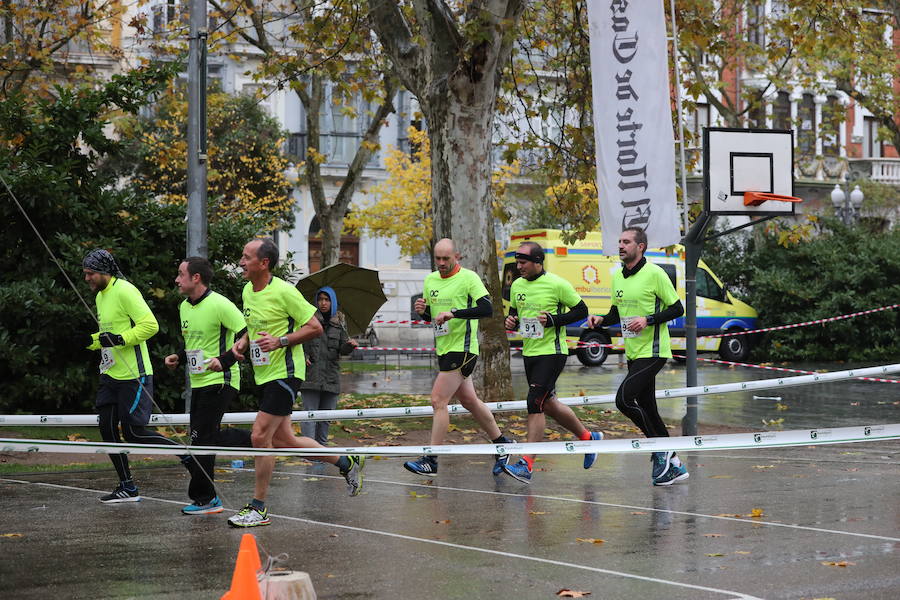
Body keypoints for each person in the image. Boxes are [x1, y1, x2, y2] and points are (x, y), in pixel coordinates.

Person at [217, 238, 365, 528]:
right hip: (265, 373)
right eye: (242, 257)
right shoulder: (248, 290)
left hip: (286, 374)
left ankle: (258, 508)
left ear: (264, 263)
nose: (241, 263)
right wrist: (242, 342)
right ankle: (347, 462)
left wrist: (281, 341)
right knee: (286, 440)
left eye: (247, 258)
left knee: (261, 436)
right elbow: (254, 325)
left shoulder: (285, 291)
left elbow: (315, 327)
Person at [82, 249, 195, 502]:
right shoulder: (101, 296)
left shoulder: (125, 290)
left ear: (103, 272)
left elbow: (150, 325)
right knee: (107, 429)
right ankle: (127, 487)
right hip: (110, 374)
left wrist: (121, 339)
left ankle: (188, 455)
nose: (86, 278)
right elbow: (106, 335)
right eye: (85, 274)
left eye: (90, 274)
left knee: (134, 432)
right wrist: (88, 342)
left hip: (135, 375)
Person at [586, 227, 687, 486]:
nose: (620, 245)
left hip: (654, 351)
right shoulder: (618, 277)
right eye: (619, 241)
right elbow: (615, 313)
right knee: (650, 410)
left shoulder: (655, 274)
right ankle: (674, 463)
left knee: (623, 399)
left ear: (640, 246)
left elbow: (677, 307)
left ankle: (658, 449)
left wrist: (648, 320)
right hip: (633, 351)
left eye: (626, 242)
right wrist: (600, 319)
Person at [404, 238, 513, 476]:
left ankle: (431, 460)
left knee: (438, 400)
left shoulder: (469, 278)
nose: (441, 263)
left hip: (463, 350)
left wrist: (454, 313)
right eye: (438, 259)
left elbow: (487, 309)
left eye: (446, 258)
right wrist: (424, 312)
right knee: (469, 401)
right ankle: (502, 443)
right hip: (444, 349)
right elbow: (432, 317)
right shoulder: (430, 280)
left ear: (457, 256)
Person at [502, 241, 602, 483]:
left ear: (538, 262)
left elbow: (581, 310)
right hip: (530, 351)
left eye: (523, 262)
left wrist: (554, 320)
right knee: (548, 404)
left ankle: (526, 464)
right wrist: (511, 322)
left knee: (534, 401)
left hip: (553, 351)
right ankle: (589, 438)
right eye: (517, 262)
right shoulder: (517, 285)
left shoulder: (557, 284)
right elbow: (514, 313)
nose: (519, 266)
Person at [164, 257, 250, 515]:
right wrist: (179, 357)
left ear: (196, 277)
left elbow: (248, 331)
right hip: (199, 382)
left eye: (181, 274)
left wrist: (224, 361)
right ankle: (257, 440)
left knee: (201, 439)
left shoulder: (220, 303)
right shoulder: (184, 307)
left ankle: (205, 499)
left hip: (221, 381)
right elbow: (194, 341)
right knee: (202, 438)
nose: (177, 280)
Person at [299, 287, 358, 445]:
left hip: (331, 377)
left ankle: (322, 448)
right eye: (320, 299)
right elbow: (298, 342)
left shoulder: (340, 323)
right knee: (309, 416)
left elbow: (342, 349)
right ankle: (308, 450)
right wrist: (302, 356)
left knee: (326, 416)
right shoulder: (307, 320)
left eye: (327, 299)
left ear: (333, 302)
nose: (323, 303)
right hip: (311, 375)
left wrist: (349, 346)